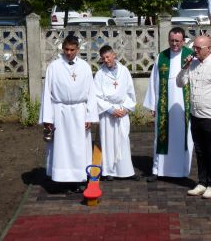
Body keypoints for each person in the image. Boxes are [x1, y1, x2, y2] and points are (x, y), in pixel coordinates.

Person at [39, 35, 98, 193]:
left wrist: (90, 116)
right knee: (62, 147)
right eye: (66, 49)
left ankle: (79, 178)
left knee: (79, 147)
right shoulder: (54, 67)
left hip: (79, 111)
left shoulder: (85, 67)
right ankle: (62, 179)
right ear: (62, 49)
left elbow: (91, 93)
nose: (69, 53)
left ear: (77, 49)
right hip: (60, 111)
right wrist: (47, 118)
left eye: (72, 50)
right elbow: (47, 93)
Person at [177, 35, 211, 199]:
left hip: (210, 116)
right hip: (195, 114)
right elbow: (180, 83)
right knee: (199, 150)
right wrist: (185, 66)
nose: (195, 51)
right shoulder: (191, 65)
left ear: (208, 48)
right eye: (195, 48)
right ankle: (202, 181)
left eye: (199, 48)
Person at [143, 27, 194, 182]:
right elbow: (154, 81)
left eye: (177, 41)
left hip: (184, 106)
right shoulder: (162, 56)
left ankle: (182, 172)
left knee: (184, 137)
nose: (174, 44)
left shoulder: (190, 57)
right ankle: (158, 170)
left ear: (183, 41)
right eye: (171, 40)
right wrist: (153, 104)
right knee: (161, 136)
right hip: (164, 105)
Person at [94, 45, 139, 181]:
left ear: (114, 55)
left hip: (122, 110)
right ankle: (109, 172)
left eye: (108, 57)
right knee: (108, 141)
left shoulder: (124, 71)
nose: (106, 60)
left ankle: (126, 171)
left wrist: (125, 109)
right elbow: (96, 96)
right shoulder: (100, 74)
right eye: (103, 58)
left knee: (123, 139)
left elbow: (130, 91)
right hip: (108, 112)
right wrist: (110, 110)